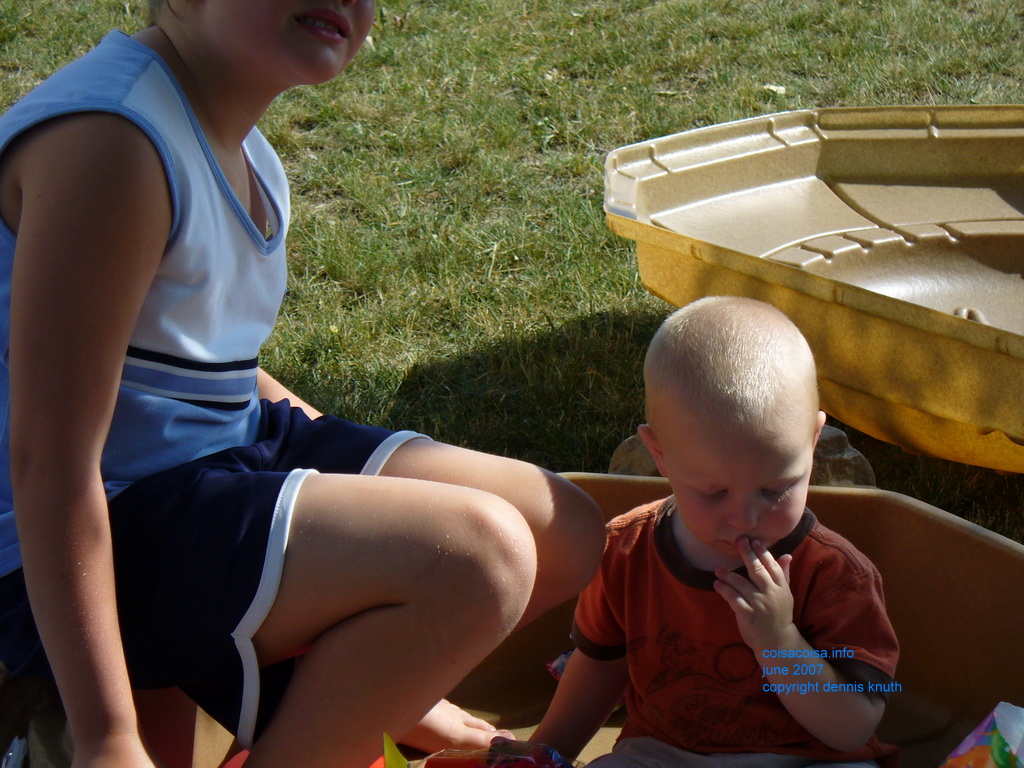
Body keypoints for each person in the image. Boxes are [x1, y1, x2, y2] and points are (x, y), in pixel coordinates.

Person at [0, 2, 607, 767]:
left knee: (564, 530)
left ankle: (339, 713)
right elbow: (48, 464)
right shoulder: (113, 143)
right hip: (90, 529)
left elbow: (192, 360)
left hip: (208, 470)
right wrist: (107, 736)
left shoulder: (240, 144)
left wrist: (336, 488)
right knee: (479, 560)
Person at [531, 296, 900, 768]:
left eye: (776, 488)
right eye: (712, 492)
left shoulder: (836, 574)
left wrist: (779, 641)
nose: (745, 518)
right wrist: (543, 751)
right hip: (665, 753)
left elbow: (854, 727)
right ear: (659, 454)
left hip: (807, 759)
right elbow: (600, 668)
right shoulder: (626, 551)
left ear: (812, 441)